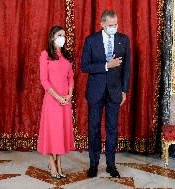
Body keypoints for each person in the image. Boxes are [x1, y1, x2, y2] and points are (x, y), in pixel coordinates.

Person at [81, 10, 131, 178]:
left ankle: (111, 165)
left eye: (116, 24)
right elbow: (84, 66)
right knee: (94, 128)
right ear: (102, 24)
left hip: (115, 92)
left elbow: (126, 69)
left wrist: (125, 90)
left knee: (112, 129)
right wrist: (106, 66)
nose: (114, 27)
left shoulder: (123, 40)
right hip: (95, 91)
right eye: (110, 25)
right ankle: (93, 165)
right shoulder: (91, 40)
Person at [37, 25, 75, 179]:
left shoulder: (66, 55)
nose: (63, 38)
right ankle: (51, 164)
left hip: (65, 101)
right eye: (60, 35)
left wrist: (69, 94)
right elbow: (44, 80)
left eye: (64, 35)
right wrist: (58, 97)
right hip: (52, 101)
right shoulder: (45, 54)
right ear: (53, 37)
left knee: (61, 132)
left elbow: (71, 77)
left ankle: (59, 163)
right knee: (52, 132)